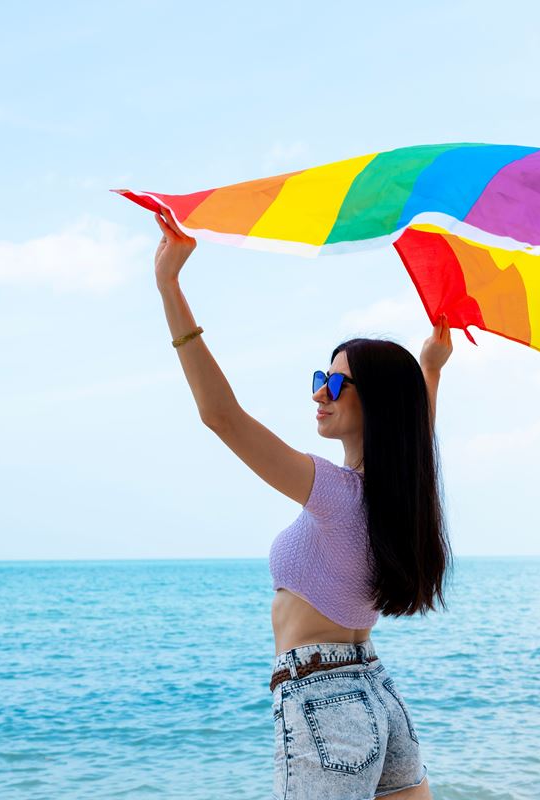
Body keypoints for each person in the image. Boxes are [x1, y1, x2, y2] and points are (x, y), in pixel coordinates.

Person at [154, 206, 453, 800]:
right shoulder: (401, 495)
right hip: (378, 695)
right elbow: (417, 431)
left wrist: (169, 288)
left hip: (322, 699)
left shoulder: (338, 494)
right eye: (322, 375)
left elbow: (221, 417)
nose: (320, 392)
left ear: (377, 406)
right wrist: (430, 368)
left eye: (338, 383)